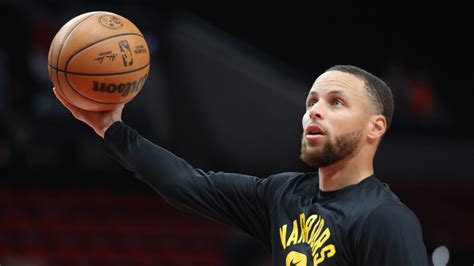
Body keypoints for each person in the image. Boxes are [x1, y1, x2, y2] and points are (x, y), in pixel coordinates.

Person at [53, 65, 428, 265]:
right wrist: (110, 128)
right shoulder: (283, 194)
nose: (314, 109)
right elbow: (188, 184)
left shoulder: (385, 220)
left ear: (374, 127)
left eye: (336, 102)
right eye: (311, 100)